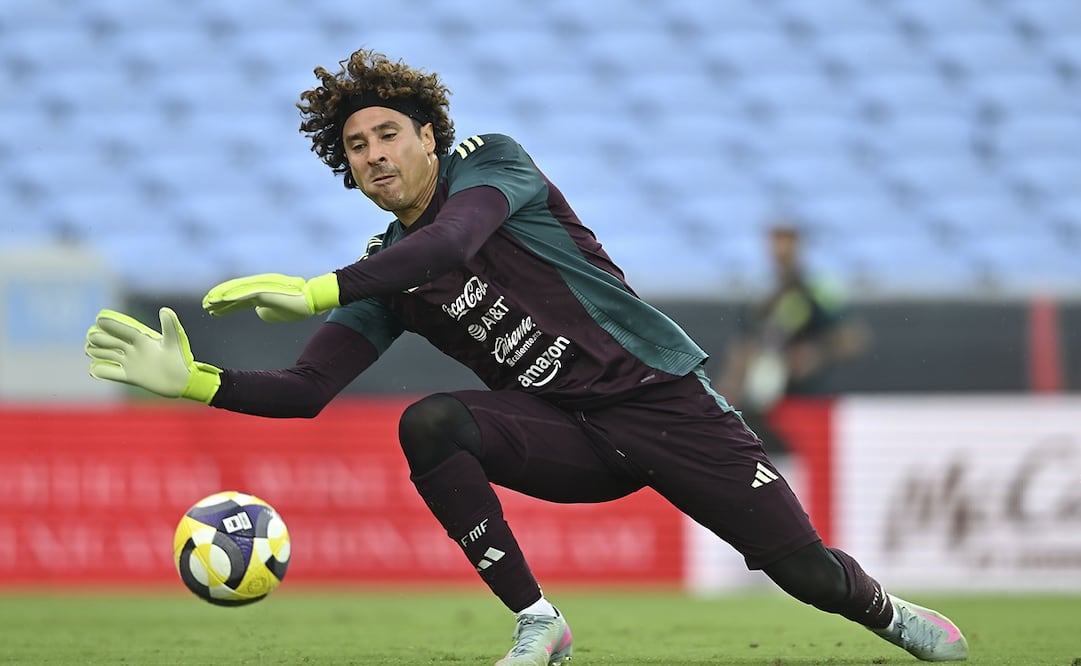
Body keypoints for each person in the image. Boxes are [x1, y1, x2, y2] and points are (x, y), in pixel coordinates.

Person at [84, 48, 967, 665]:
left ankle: (887, 613)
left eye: (388, 133)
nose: (375, 155)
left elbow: (447, 245)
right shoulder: (386, 270)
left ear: (430, 134)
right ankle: (537, 623)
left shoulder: (491, 166)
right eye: (356, 148)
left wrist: (320, 286)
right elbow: (307, 389)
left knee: (806, 574)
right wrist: (194, 381)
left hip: (661, 398)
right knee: (430, 422)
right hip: (570, 434)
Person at [715, 222, 871, 458]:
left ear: (799, 246)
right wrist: (727, 393)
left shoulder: (819, 289)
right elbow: (744, 347)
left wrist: (816, 353)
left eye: (787, 241)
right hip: (766, 406)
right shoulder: (760, 293)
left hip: (811, 402)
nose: (781, 250)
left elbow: (854, 338)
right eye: (775, 241)